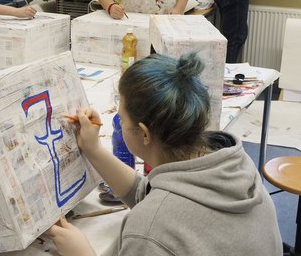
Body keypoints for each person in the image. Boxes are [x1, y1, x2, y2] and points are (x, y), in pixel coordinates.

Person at [47, 52, 282, 255]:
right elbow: (149, 194)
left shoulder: (151, 228)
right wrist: (93, 148)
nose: (118, 123)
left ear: (144, 133)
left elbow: (160, 213)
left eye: (122, 118)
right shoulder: (235, 165)